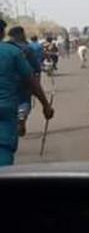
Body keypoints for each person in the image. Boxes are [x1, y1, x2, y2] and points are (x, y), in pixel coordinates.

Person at [0, 17, 54, 166]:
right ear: (2, 34)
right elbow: (31, 79)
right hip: (7, 107)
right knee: (3, 150)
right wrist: (45, 104)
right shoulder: (13, 52)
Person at [6, 26, 41, 136]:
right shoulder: (27, 48)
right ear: (20, 35)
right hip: (24, 81)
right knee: (24, 101)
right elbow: (36, 67)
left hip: (6, 82)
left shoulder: (4, 48)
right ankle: (21, 117)